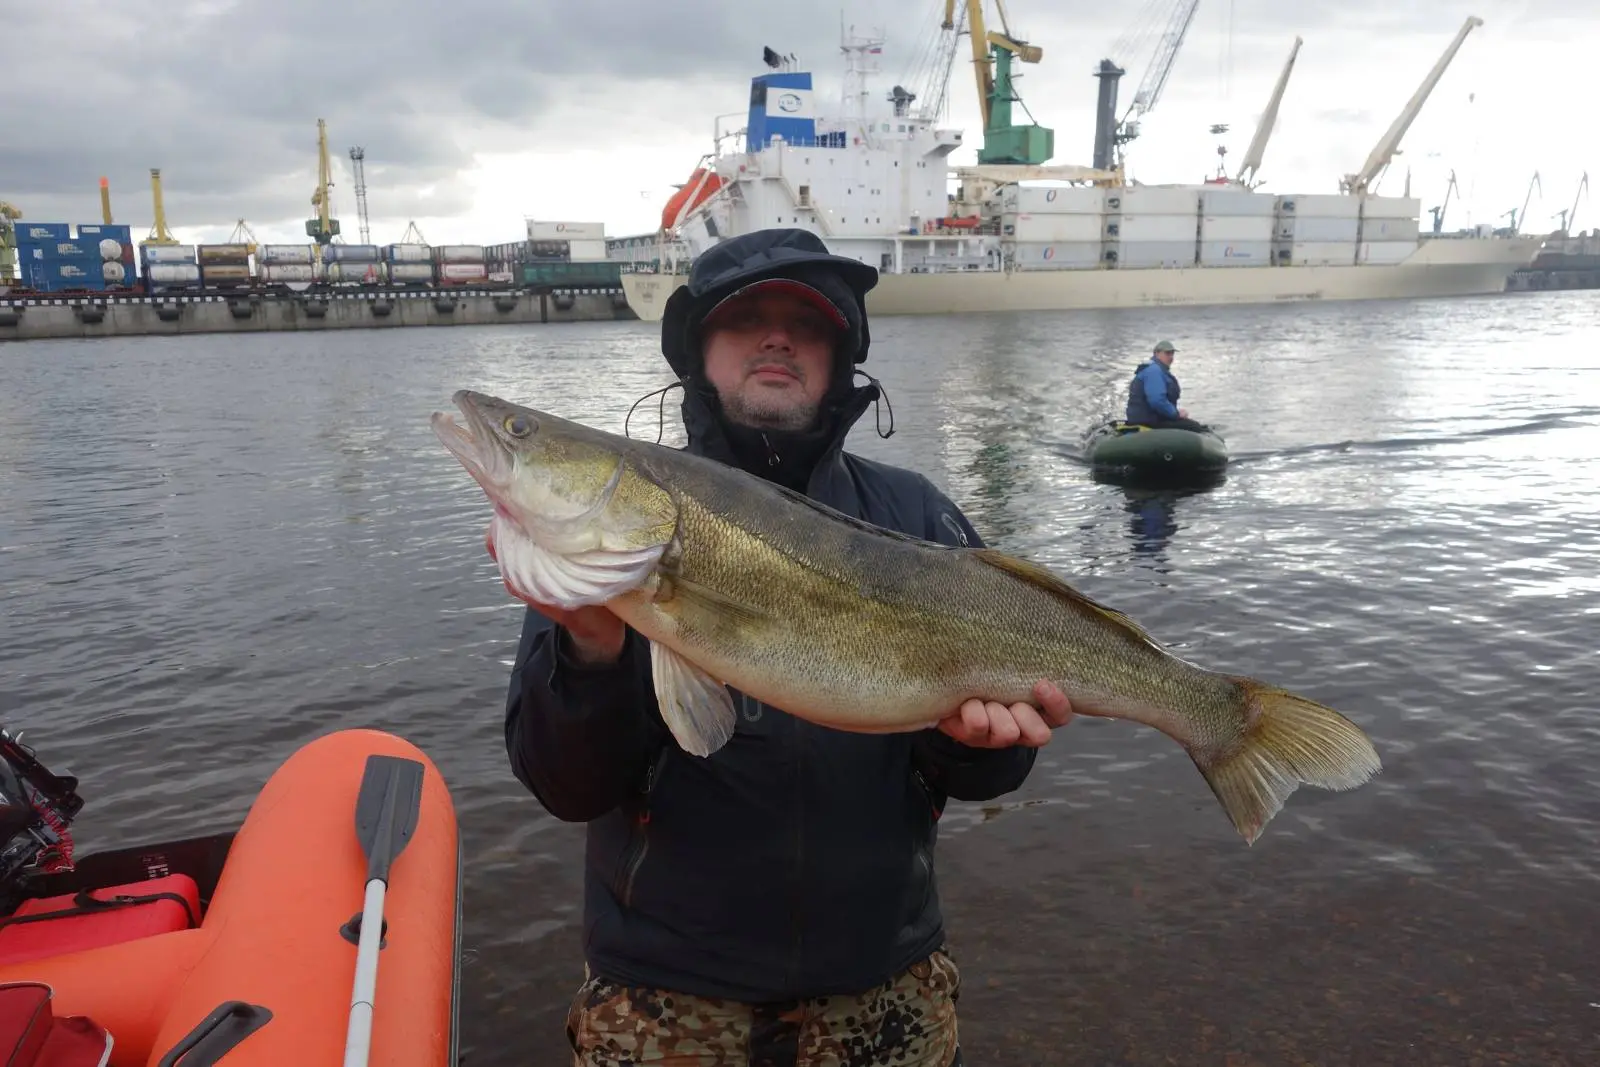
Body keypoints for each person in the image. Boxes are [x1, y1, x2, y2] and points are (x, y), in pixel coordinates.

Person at [496, 227, 1075, 1066]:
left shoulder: (917, 516)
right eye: (745, 320)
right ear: (699, 354)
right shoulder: (607, 548)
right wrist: (588, 652)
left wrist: (976, 748)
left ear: (841, 358)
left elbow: (988, 770)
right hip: (663, 996)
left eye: (804, 324)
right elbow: (564, 785)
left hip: (885, 986)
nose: (775, 338)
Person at [1125, 339, 1207, 431]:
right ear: (1156, 353)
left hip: (1150, 419)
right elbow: (1157, 400)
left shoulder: (1157, 370)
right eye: (1167, 353)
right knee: (1194, 427)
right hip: (1148, 421)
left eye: (1172, 353)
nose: (1171, 357)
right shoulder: (1154, 371)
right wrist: (1176, 414)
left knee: (1190, 424)